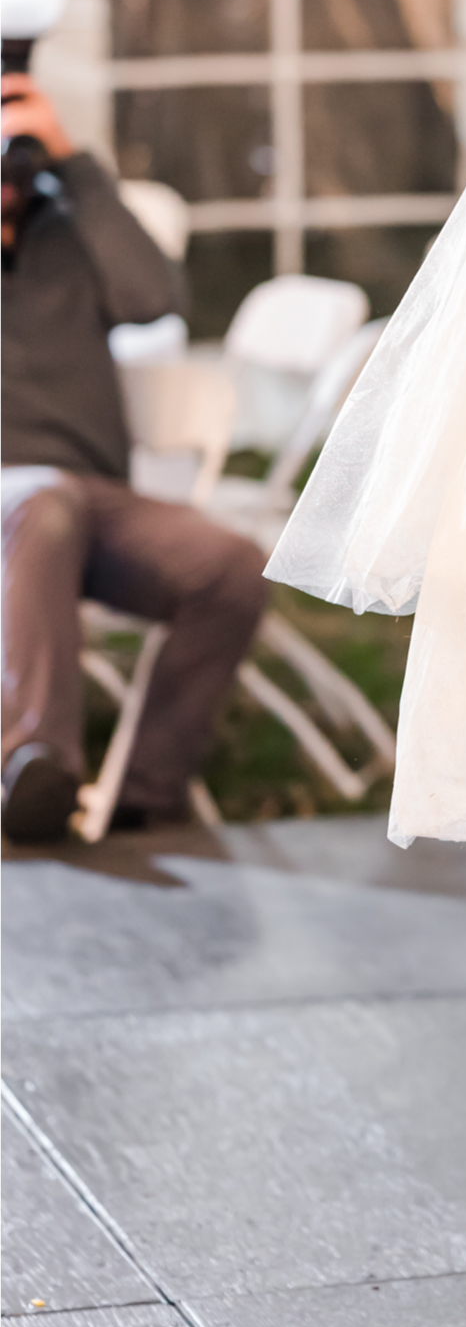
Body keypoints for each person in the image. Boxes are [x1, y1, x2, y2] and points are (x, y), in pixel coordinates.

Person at [0, 64, 266, 842]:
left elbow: (153, 300)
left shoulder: (69, 233)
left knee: (230, 569)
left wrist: (72, 165)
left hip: (91, 499)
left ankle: (142, 794)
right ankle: (34, 765)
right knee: (42, 501)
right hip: (18, 503)